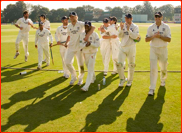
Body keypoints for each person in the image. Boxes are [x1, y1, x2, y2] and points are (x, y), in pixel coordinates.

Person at [64, 11, 95, 85]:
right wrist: (66, 42)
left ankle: (80, 79)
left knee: (80, 65)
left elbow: (93, 27)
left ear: (76, 17)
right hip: (71, 47)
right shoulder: (69, 26)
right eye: (70, 17)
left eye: (73, 16)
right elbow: (69, 35)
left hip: (79, 47)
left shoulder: (81, 24)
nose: (71, 18)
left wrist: (87, 36)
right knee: (67, 62)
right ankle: (74, 76)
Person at [145, 12, 171, 96]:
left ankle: (163, 80)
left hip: (163, 49)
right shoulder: (151, 27)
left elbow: (169, 39)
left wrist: (160, 36)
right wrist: (153, 36)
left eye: (159, 17)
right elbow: (146, 39)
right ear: (154, 18)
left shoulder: (166, 27)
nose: (157, 18)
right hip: (153, 49)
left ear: (161, 17)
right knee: (153, 69)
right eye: (156, 17)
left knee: (163, 68)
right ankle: (152, 88)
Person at [117, 13, 139, 87]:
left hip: (131, 47)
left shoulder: (135, 27)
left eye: (129, 18)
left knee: (131, 65)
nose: (127, 20)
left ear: (131, 18)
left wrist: (129, 30)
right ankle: (122, 79)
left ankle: (129, 80)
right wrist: (121, 28)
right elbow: (119, 36)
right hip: (122, 47)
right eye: (126, 18)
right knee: (119, 64)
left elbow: (135, 36)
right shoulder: (123, 25)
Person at [80, 21, 100, 91]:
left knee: (90, 69)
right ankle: (93, 78)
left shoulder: (95, 34)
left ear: (90, 27)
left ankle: (86, 87)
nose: (86, 27)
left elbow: (98, 45)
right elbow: (80, 45)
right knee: (89, 67)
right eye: (85, 26)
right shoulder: (82, 34)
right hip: (85, 53)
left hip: (92, 53)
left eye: (88, 26)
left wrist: (91, 44)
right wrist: (85, 45)